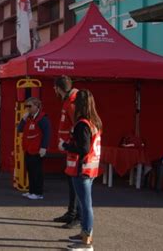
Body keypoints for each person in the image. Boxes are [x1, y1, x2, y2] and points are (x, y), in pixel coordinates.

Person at [60, 89, 102, 250]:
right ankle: (84, 234)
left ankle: (87, 242)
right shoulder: (94, 122)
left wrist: (65, 146)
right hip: (90, 169)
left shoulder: (82, 124)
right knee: (86, 204)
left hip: (82, 169)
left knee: (85, 205)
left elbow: (83, 148)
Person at [53, 75, 81, 229]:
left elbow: (78, 127)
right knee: (71, 182)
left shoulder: (72, 103)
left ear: (58, 88)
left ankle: (77, 216)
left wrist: (68, 144)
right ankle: (71, 212)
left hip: (73, 150)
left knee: (76, 184)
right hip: (68, 148)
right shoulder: (68, 101)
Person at [17, 97, 51, 200]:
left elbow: (47, 133)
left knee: (37, 172)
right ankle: (32, 191)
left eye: (30, 106)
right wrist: (23, 119)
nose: (28, 108)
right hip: (28, 149)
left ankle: (38, 193)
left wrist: (44, 147)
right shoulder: (29, 118)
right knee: (30, 171)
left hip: (37, 150)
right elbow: (19, 129)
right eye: (26, 106)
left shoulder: (42, 119)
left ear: (37, 106)